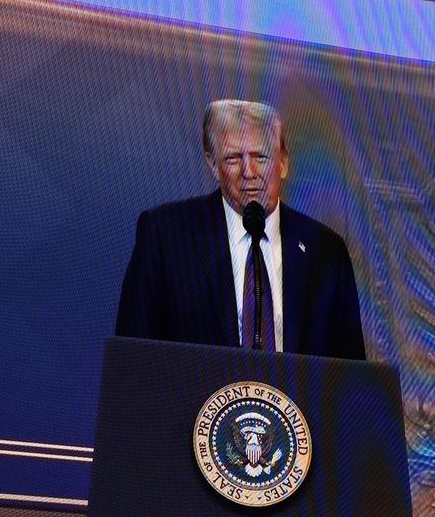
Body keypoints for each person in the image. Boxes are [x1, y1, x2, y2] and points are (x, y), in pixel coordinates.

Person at [116, 99, 365, 359]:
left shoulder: (326, 251)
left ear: (283, 163)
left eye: (261, 156)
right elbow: (132, 361)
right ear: (213, 165)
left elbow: (352, 379)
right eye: (234, 158)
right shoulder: (165, 236)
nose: (249, 172)